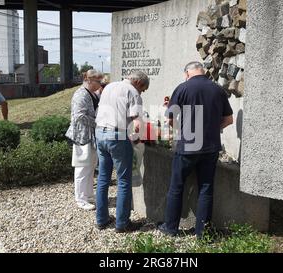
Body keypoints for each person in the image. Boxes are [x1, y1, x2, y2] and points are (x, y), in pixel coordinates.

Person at [158, 61, 234, 237]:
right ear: (202, 71)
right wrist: (213, 129)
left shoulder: (182, 88)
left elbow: (170, 120)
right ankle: (203, 233)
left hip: (187, 146)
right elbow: (229, 119)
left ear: (187, 73)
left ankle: (170, 228)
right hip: (210, 147)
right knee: (206, 189)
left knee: (176, 187)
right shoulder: (217, 89)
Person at [94, 71, 149, 233]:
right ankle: (122, 223)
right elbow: (138, 124)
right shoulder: (132, 92)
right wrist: (138, 138)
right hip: (117, 136)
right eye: (143, 89)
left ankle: (101, 219)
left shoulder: (109, 86)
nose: (142, 92)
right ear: (138, 82)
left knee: (103, 179)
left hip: (100, 134)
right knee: (124, 180)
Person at [65, 69, 104, 211]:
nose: (100, 84)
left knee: (90, 165)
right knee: (82, 167)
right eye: (98, 81)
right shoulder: (81, 94)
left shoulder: (91, 93)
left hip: (90, 135)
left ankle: (87, 195)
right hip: (81, 135)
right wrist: (97, 122)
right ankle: (80, 199)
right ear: (88, 79)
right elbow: (79, 116)